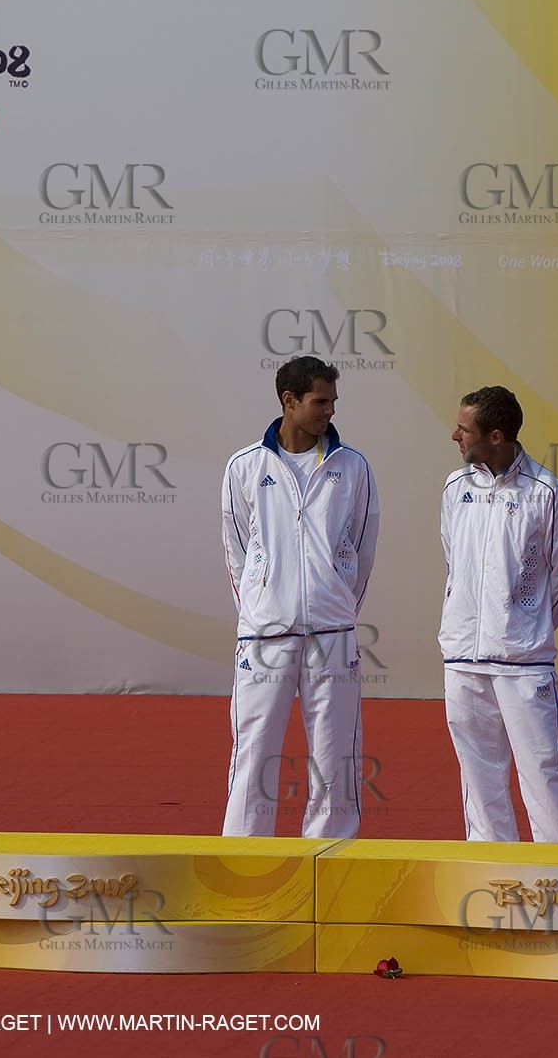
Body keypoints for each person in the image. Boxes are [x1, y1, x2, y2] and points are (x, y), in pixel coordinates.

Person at [220, 356, 379, 839]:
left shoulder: (352, 467)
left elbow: (361, 547)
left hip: (332, 633)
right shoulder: (245, 466)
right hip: (265, 634)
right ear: (289, 401)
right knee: (254, 751)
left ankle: (329, 856)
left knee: (337, 756)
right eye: (320, 401)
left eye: (333, 401)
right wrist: (261, 607)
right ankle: (243, 858)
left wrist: (334, 603)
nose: (329, 411)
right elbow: (238, 550)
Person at [439, 386, 558, 843]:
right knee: (478, 776)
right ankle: (491, 873)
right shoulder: (455, 488)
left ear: (497, 436)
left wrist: (526, 629)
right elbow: (454, 564)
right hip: (462, 660)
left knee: (545, 771)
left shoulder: (548, 493)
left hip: (523, 664)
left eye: (464, 430)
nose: (455, 436)